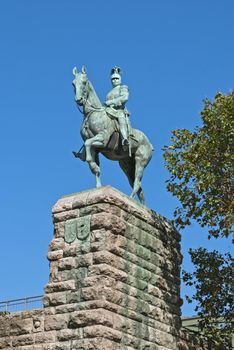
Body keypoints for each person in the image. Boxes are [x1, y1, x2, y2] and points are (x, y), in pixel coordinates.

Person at [104, 67, 131, 147]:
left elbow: (124, 98)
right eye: (113, 79)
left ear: (120, 79)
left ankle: (124, 139)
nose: (115, 80)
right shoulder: (108, 93)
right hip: (109, 111)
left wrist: (111, 102)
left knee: (121, 120)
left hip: (119, 111)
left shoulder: (123, 87)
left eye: (116, 78)